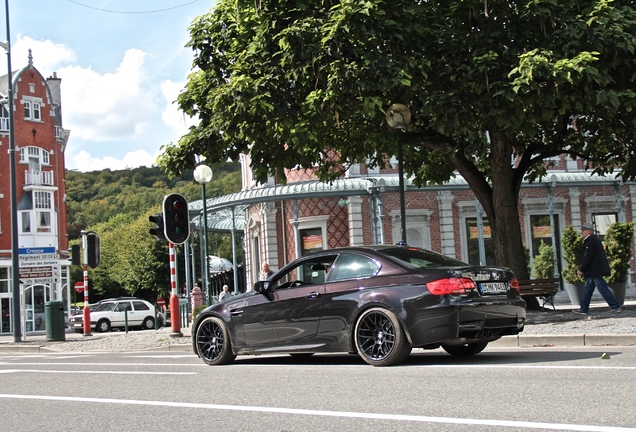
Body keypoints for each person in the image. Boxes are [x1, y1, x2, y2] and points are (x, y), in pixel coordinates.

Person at [573, 222, 622, 315]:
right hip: (593, 271)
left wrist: (582, 269)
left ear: (589, 231)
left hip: (594, 270)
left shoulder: (590, 241)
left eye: (584, 230)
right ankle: (583, 309)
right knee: (588, 290)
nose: (582, 232)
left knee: (602, 288)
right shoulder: (594, 240)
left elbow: (588, 256)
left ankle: (615, 306)